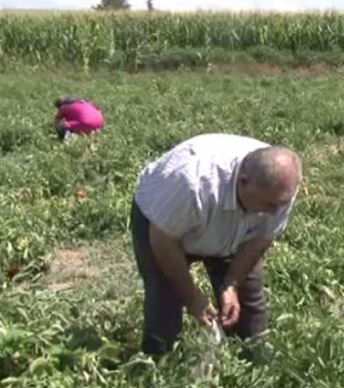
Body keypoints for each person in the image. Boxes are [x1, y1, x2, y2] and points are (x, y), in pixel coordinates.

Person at [129, 133, 302, 357]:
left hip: (232, 229)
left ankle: (255, 370)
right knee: (165, 300)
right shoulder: (192, 185)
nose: (276, 212)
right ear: (244, 181)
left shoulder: (281, 186)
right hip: (164, 225)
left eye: (282, 204)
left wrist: (231, 283)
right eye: (269, 204)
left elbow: (261, 238)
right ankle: (157, 370)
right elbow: (164, 242)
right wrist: (192, 297)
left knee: (247, 301)